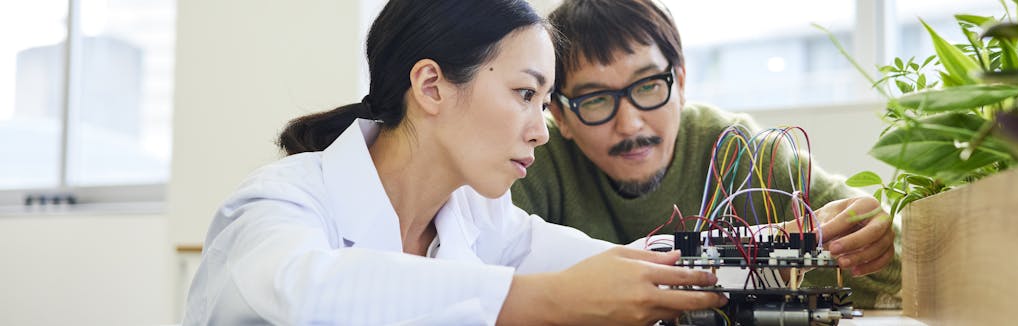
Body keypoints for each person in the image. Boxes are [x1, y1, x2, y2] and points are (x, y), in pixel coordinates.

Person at [182, 1, 728, 324]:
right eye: (523, 94)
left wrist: (782, 240)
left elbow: (618, 263)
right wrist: (549, 301)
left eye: (544, 103)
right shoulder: (278, 203)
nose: (541, 132)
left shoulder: (477, 215)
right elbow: (308, 295)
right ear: (431, 86)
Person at [511, 0, 902, 308]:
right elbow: (487, 288)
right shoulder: (530, 160)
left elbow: (893, 272)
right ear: (558, 113)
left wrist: (870, 236)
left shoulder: (747, 153)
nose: (630, 125)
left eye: (648, 86)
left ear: (680, 82)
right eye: (595, 99)